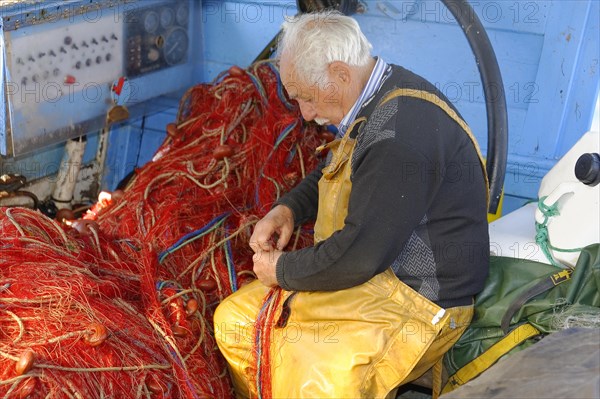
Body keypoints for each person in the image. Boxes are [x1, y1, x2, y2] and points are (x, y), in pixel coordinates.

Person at [214, 10, 490, 399]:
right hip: (371, 277)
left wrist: (282, 268)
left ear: (341, 74)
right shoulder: (375, 97)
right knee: (234, 322)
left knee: (318, 377)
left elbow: (359, 256)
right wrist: (289, 209)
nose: (306, 115)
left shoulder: (399, 132)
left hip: (418, 302)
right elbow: (337, 169)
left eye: (307, 98)